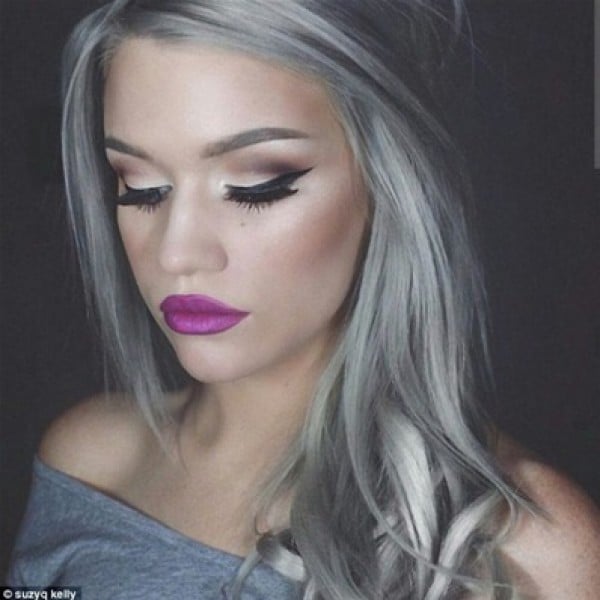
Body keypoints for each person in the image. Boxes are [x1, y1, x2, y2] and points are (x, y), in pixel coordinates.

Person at [7, 1, 600, 598]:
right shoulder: (84, 460)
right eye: (141, 187)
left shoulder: (524, 551)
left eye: (256, 186)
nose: (176, 252)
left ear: (384, 182)